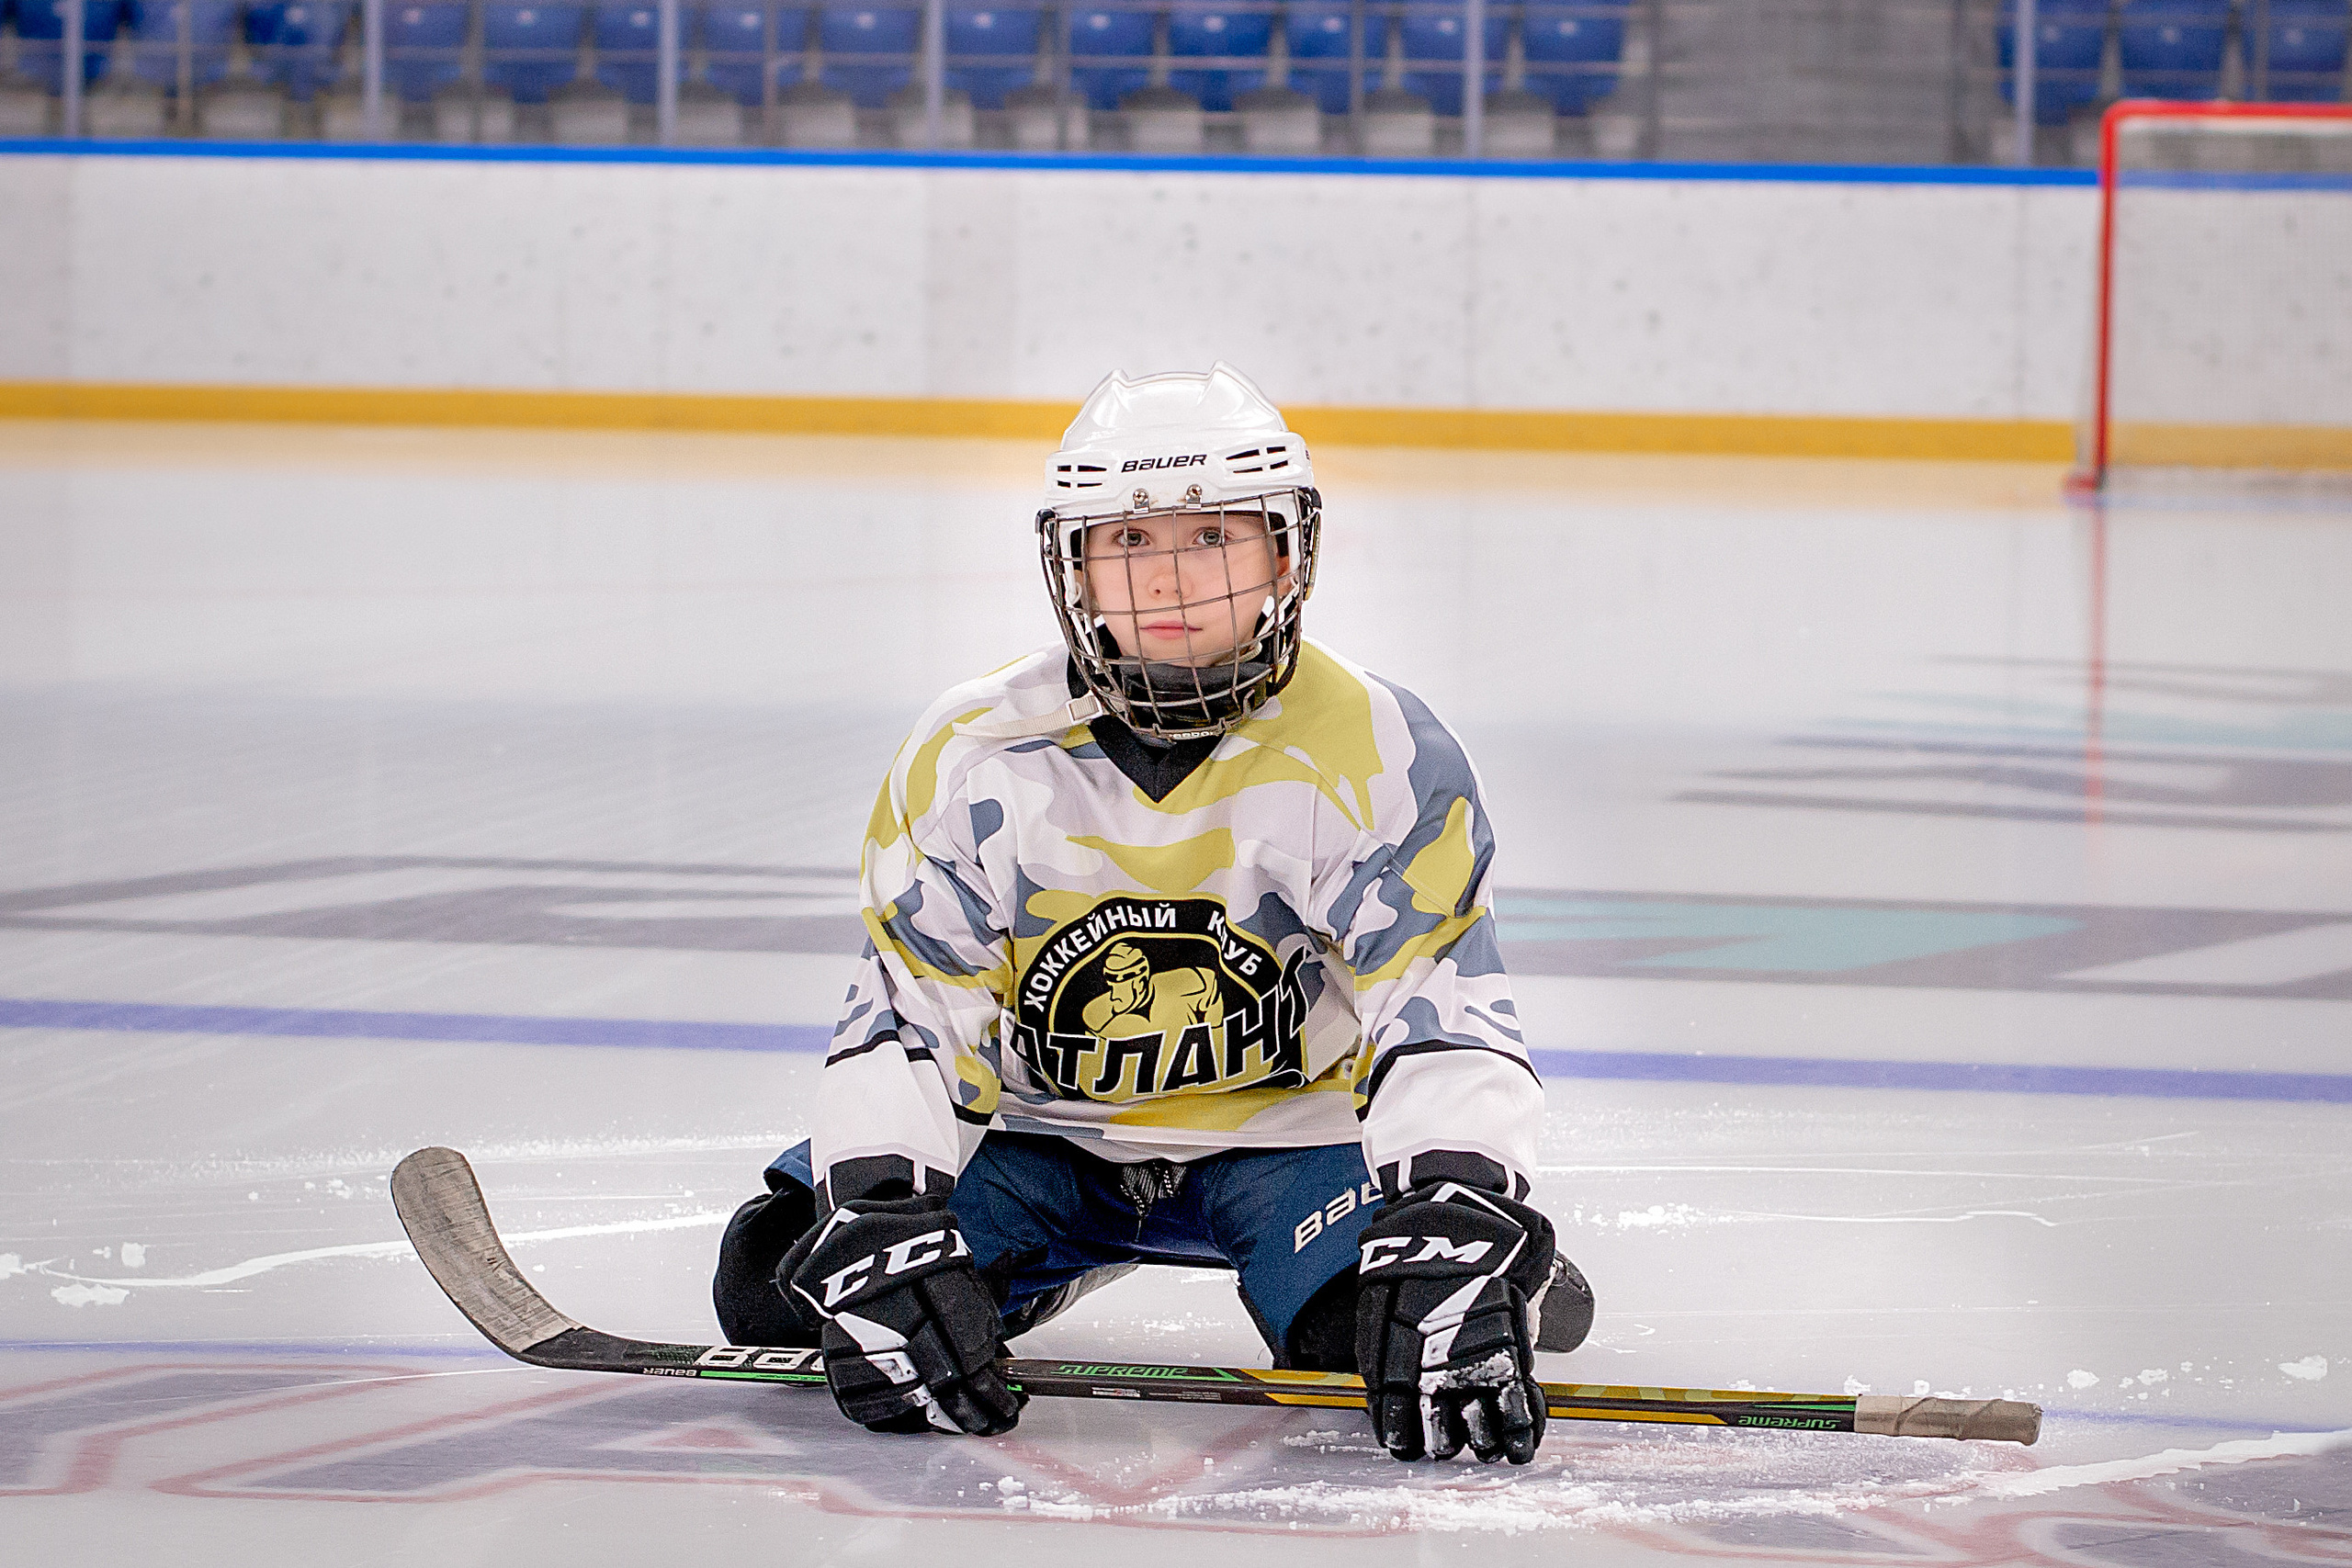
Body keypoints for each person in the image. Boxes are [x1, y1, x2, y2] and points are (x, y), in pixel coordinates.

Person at [712, 363, 1592, 1465]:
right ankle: (1044, 1256)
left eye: (1211, 535)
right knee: (776, 1286)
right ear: (1074, 565)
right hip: (1039, 1133)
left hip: (1285, 1141)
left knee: (1369, 1338)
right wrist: (882, 1209)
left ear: (1285, 556)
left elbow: (1438, 1005)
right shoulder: (975, 750)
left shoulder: (1377, 748)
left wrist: (1458, 1205)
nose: (1169, 578)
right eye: (1129, 540)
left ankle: (1505, 1266)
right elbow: (913, 1011)